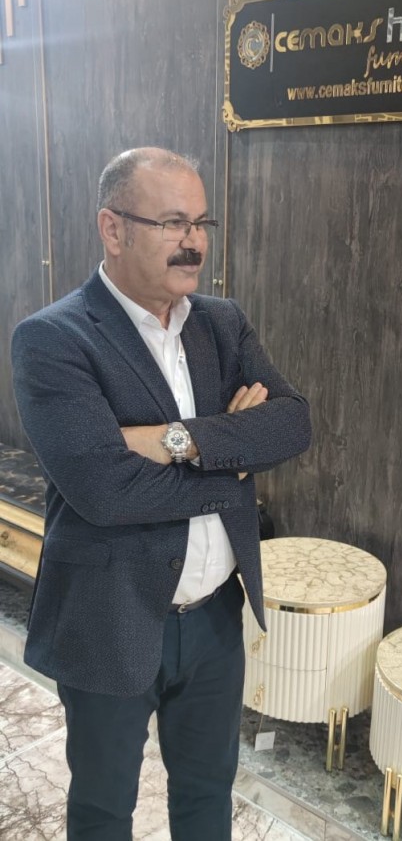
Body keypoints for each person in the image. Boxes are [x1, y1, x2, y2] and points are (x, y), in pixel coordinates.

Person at [11, 147, 311, 841]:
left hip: (213, 621)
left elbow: (292, 422)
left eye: (201, 222)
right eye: (173, 222)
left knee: (207, 797)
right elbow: (104, 490)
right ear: (113, 229)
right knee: (103, 808)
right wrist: (233, 455)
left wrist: (174, 439)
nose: (194, 241)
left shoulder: (221, 322)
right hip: (109, 617)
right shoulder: (53, 339)